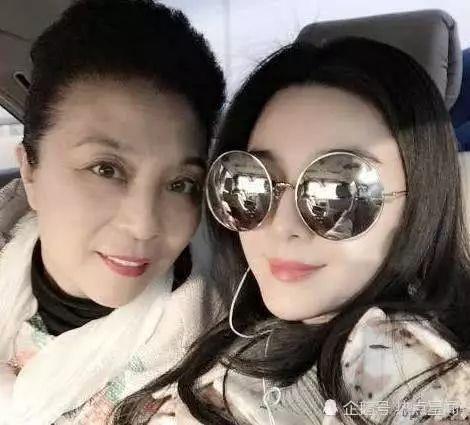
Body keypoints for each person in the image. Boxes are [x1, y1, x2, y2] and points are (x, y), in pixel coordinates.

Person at [116, 37, 470, 425]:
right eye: (252, 181)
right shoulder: (227, 324)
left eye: (339, 190)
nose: (282, 225)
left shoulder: (403, 364)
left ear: (419, 202)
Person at [0, 0, 225, 423]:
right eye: (106, 169)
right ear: (30, 170)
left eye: (180, 184)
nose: (144, 224)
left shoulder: (202, 382)